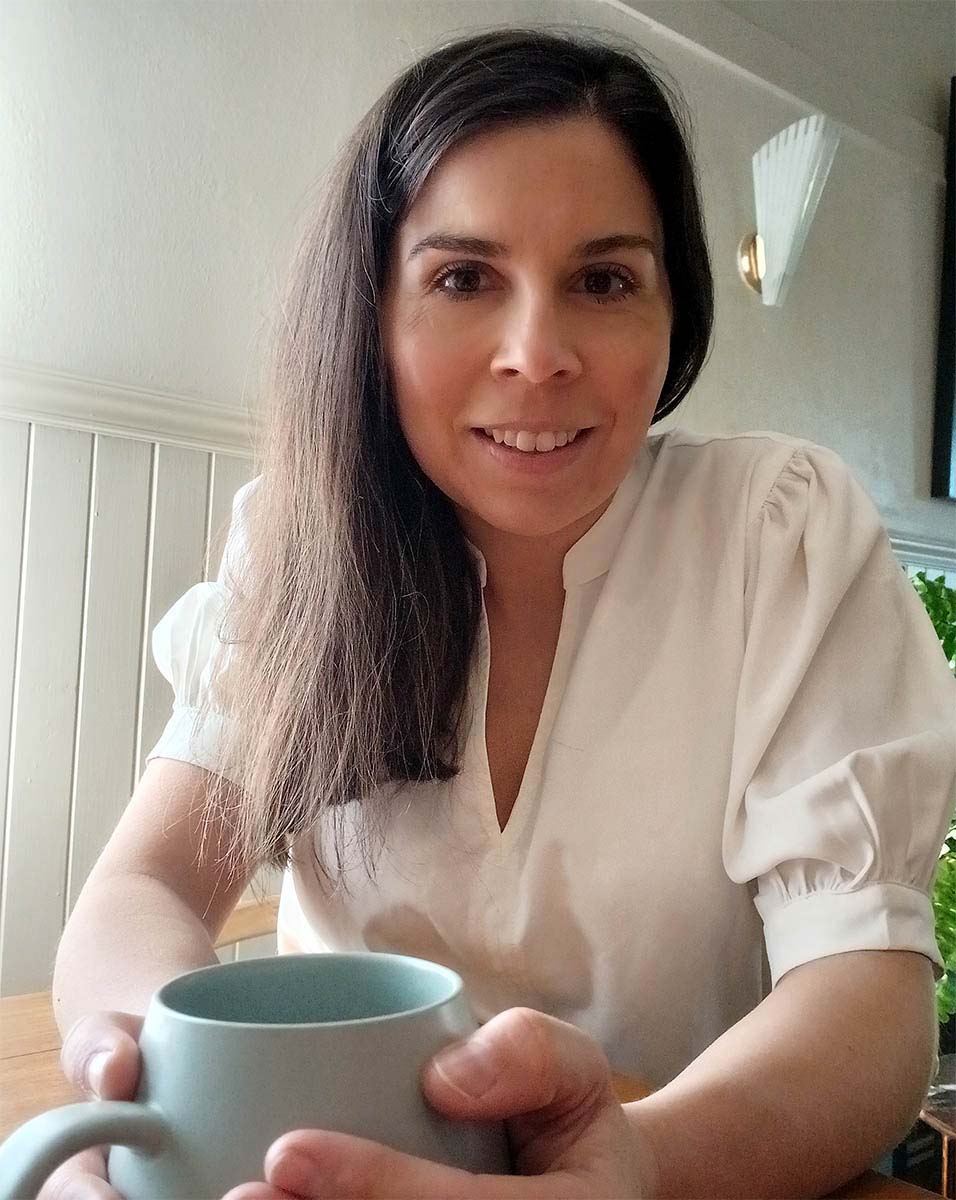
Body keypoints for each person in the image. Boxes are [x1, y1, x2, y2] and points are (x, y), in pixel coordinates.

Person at [44, 25, 955, 1200]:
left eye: (603, 280)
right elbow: (148, 887)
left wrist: (631, 1164)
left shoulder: (773, 531)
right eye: (463, 278)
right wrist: (150, 1082)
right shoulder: (299, 548)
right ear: (372, 313)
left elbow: (866, 997)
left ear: (672, 313)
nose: (536, 355)